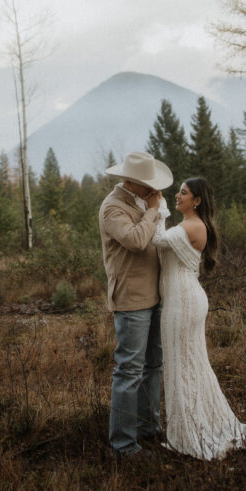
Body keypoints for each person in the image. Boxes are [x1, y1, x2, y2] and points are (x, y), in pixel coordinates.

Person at [151, 176, 246, 460]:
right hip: (186, 299)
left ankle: (188, 434)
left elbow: (157, 239)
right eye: (178, 192)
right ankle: (196, 423)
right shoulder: (192, 225)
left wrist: (158, 207)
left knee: (180, 364)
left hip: (183, 302)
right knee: (190, 363)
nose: (177, 195)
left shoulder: (191, 226)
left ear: (196, 200)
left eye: (183, 193)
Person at [98, 151, 173, 458]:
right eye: (149, 185)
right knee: (129, 371)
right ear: (133, 182)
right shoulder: (112, 208)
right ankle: (123, 445)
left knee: (153, 366)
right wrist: (153, 211)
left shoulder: (142, 202)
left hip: (155, 296)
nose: (154, 191)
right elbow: (136, 241)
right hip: (131, 300)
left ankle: (148, 428)